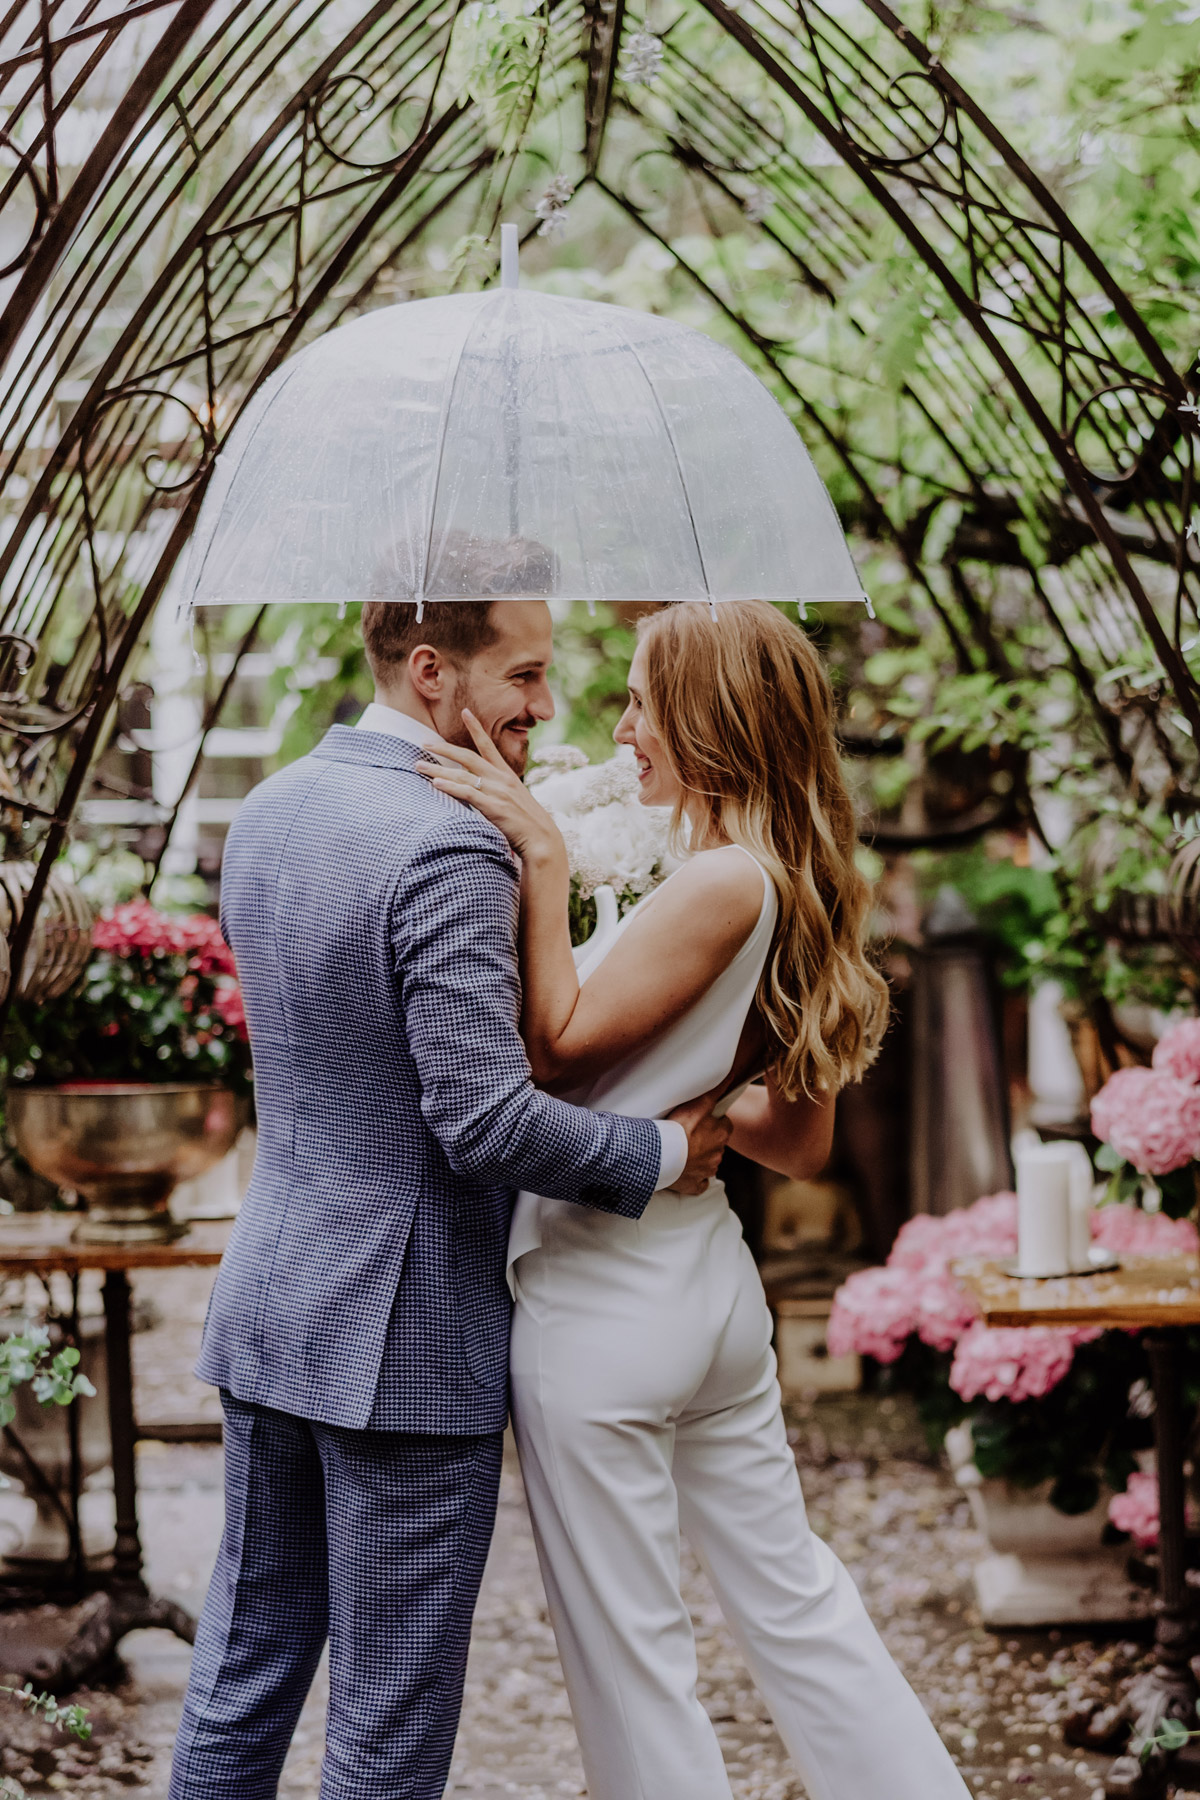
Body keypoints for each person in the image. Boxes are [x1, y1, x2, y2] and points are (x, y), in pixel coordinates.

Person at [168, 551, 732, 1800]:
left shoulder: (268, 813)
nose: (547, 704)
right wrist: (672, 1149)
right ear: (433, 673)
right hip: (405, 1342)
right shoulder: (446, 846)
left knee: (242, 1674)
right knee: (387, 1717)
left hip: (268, 1304)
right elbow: (483, 1123)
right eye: (524, 672)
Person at [422, 598, 974, 1800]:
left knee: (632, 1657)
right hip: (708, 1298)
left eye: (641, 702)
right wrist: (697, 1120)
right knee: (797, 1607)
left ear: (710, 721)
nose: (621, 729)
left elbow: (556, 1051)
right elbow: (800, 1142)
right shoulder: (780, 879)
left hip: (603, 1306)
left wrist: (544, 861)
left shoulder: (721, 882)